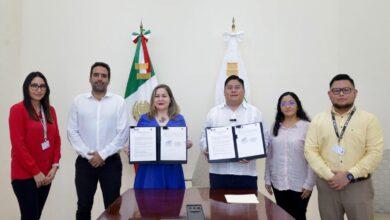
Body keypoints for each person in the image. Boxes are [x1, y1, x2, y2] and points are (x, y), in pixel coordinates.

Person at [305, 74, 384, 220]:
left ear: (355, 92)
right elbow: (310, 150)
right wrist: (331, 176)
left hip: (358, 186)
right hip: (328, 186)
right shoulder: (318, 120)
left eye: (346, 90)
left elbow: (375, 153)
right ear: (330, 94)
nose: (341, 94)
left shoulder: (369, 120)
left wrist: (349, 175)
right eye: (336, 90)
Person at [67, 62, 128, 220]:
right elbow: (72, 132)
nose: (99, 78)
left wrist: (102, 154)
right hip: (85, 164)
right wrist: (90, 156)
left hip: (111, 163)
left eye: (104, 75)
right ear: (90, 78)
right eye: (96, 75)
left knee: (112, 207)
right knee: (83, 207)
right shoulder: (78, 101)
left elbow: (122, 133)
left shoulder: (118, 102)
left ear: (108, 80)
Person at [199, 75, 269, 190]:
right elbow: (203, 138)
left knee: (247, 207)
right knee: (218, 207)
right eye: (229, 87)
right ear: (224, 91)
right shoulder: (213, 113)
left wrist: (252, 154)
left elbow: (265, 140)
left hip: (246, 174)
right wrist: (206, 149)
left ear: (243, 90)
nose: (233, 90)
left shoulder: (255, 113)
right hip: (218, 173)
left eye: (237, 87)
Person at [9, 72, 61, 220]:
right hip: (25, 174)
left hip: (46, 175)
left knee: (35, 216)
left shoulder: (50, 111)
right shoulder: (17, 110)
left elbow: (56, 139)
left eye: (42, 86)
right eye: (34, 85)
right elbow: (18, 145)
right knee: (30, 216)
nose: (39, 89)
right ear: (27, 87)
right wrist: (35, 172)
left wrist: (55, 166)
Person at [264, 92, 315, 220]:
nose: (288, 106)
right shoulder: (275, 127)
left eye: (291, 102)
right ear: (279, 107)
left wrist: (310, 183)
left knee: (298, 215)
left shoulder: (307, 127)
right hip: (278, 181)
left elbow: (313, 158)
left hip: (300, 183)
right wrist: (267, 178)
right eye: (284, 103)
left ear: (298, 105)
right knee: (281, 216)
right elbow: (270, 155)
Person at [133, 84, 192, 189]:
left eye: (164, 96)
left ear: (170, 99)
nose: (160, 99)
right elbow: (139, 142)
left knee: (173, 202)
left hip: (172, 170)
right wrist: (132, 148)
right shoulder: (144, 119)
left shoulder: (179, 119)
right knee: (149, 202)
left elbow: (182, 142)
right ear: (153, 100)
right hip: (149, 172)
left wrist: (186, 144)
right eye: (157, 96)